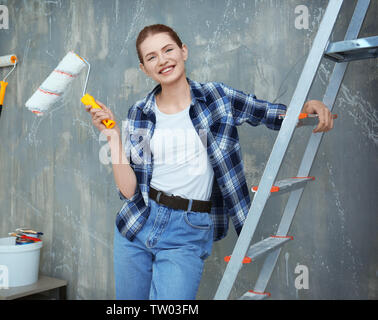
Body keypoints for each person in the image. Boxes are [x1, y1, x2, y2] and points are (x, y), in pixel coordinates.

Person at [84, 24, 334, 300]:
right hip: (139, 222)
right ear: (144, 68)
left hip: (188, 231)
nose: (163, 60)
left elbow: (267, 113)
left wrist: (306, 108)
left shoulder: (217, 98)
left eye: (168, 50)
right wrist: (114, 138)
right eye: (152, 57)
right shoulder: (140, 112)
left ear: (183, 51)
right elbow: (129, 191)